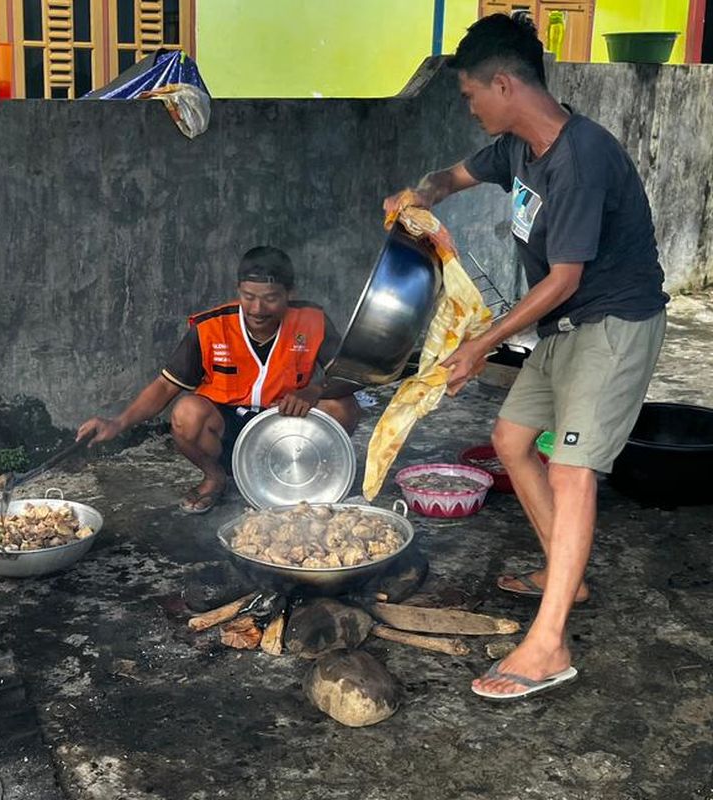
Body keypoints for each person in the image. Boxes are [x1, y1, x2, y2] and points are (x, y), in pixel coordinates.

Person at [383, 14, 667, 699]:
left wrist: (480, 344)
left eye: (470, 95)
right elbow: (447, 177)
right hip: (565, 326)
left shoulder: (580, 158)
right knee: (512, 440)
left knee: (573, 470)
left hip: (613, 321)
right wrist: (415, 197)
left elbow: (563, 278)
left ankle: (549, 644)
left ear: (504, 84)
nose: (470, 106)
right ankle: (564, 570)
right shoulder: (517, 148)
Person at [77, 246, 359, 514]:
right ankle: (215, 478)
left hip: (288, 428)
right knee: (187, 412)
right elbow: (165, 385)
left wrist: (313, 390)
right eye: (248, 296)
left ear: (289, 293)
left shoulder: (312, 321)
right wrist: (118, 422)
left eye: (270, 298)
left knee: (342, 406)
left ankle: (308, 479)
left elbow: (351, 375)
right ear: (238, 290)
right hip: (228, 431)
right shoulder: (211, 327)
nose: (257, 308)